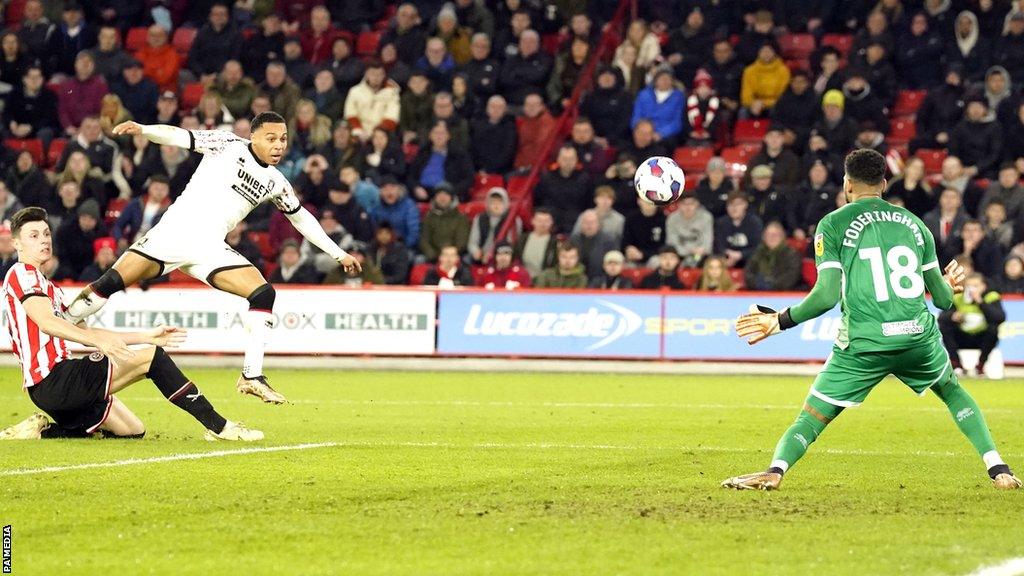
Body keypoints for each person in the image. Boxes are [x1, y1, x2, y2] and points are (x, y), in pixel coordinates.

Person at [723, 149, 1020, 491]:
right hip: (916, 337)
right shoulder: (916, 224)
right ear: (883, 183)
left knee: (814, 415)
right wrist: (948, 285)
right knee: (952, 392)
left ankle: (775, 471)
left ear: (848, 184)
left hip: (865, 341)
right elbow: (941, 300)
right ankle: (998, 468)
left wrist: (780, 320)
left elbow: (825, 296)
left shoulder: (833, 223)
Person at [65, 113, 362, 406]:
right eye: (271, 138)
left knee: (262, 293)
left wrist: (339, 253)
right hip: (170, 236)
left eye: (283, 139)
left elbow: (302, 219)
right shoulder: (227, 144)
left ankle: (252, 376)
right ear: (254, 136)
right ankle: (59, 326)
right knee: (107, 284)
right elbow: (179, 136)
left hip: (208, 248)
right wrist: (143, 128)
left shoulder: (276, 182)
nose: (278, 145)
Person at [0, 207, 262, 442]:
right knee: (153, 359)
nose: (44, 240)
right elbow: (46, 323)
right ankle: (220, 427)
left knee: (132, 429)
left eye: (46, 233)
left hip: (57, 389)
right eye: (34, 235)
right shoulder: (22, 273)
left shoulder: (49, 287)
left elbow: (84, 332)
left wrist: (146, 336)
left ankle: (43, 432)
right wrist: (101, 342)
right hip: (52, 379)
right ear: (16, 243)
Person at [939, 273, 1007, 376]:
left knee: (993, 329)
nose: (972, 289)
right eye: (969, 286)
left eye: (976, 286)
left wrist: (980, 302)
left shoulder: (991, 297)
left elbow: (999, 318)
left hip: (981, 338)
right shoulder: (958, 298)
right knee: (945, 327)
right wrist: (953, 316)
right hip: (962, 337)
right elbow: (941, 317)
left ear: (983, 286)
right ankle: (956, 365)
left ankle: (980, 365)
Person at [344, 61, 401, 143]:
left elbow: (392, 117)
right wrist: (359, 132)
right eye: (373, 74)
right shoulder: (355, 91)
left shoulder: (392, 93)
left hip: (383, 136)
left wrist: (376, 134)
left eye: (380, 74)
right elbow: (350, 114)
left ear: (384, 75)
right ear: (366, 74)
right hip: (358, 135)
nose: (376, 77)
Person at [468, 187, 520, 264]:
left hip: (502, 258)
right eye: (493, 202)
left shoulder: (514, 220)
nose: (496, 205)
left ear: (506, 203)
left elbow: (512, 245)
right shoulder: (479, 218)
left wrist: (493, 256)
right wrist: (476, 252)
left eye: (499, 202)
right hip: (481, 256)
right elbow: (472, 242)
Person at [744, 222, 802, 291]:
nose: (771, 237)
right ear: (764, 237)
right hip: (758, 293)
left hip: (784, 295)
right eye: (768, 235)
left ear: (782, 236)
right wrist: (757, 283)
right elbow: (748, 273)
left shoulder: (791, 254)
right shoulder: (757, 252)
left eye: (775, 235)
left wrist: (772, 285)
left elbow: (791, 276)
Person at [714, 192, 764, 268]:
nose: (734, 208)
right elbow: (719, 246)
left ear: (745, 205)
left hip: (749, 261)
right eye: (730, 205)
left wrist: (740, 255)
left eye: (738, 204)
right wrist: (728, 255)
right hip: (726, 259)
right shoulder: (721, 223)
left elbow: (757, 248)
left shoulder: (755, 223)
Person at [740, 43, 790, 118]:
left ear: (774, 52)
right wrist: (754, 103)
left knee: (777, 110)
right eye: (763, 51)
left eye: (769, 51)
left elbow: (783, 96)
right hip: (755, 104)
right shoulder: (749, 71)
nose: (766, 54)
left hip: (775, 104)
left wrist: (763, 103)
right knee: (743, 111)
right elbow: (746, 96)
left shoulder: (783, 70)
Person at [666, 194, 712, 268]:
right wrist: (689, 250)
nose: (688, 207)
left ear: (697, 204)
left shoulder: (706, 217)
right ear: (679, 205)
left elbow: (707, 243)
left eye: (691, 203)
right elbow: (672, 243)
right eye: (684, 204)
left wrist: (700, 251)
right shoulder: (672, 219)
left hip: (700, 254)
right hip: (679, 254)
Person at [514, 208, 558, 278]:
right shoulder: (522, 239)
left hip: (544, 281)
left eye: (546, 221)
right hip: (522, 278)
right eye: (539, 220)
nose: (543, 224)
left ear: (551, 222)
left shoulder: (555, 242)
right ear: (533, 221)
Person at [622, 197, 666, 268]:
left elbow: (663, 245)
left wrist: (643, 254)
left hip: (653, 256)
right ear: (639, 201)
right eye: (645, 199)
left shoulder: (663, 219)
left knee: (657, 262)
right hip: (633, 256)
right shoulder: (631, 218)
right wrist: (628, 249)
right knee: (622, 263)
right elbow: (625, 241)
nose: (649, 202)